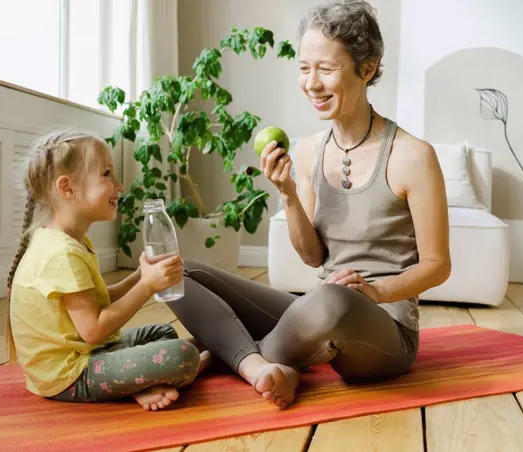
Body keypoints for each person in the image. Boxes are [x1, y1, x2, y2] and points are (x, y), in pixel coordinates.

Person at [166, 0, 451, 409]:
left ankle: (225, 355)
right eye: (304, 68)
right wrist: (287, 194)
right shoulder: (307, 151)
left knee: (333, 299)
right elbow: (313, 256)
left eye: (326, 69)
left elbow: (438, 265)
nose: (312, 83)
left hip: (384, 329)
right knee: (180, 271)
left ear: (366, 69)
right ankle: (262, 363)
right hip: (318, 310)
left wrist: (373, 291)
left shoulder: (412, 155)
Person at [5, 131, 209, 411]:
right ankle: (133, 385)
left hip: (84, 355)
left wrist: (139, 275)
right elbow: (93, 331)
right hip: (69, 376)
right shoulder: (61, 253)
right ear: (67, 188)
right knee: (183, 356)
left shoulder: (68, 241)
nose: (120, 185)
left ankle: (135, 382)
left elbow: (97, 301)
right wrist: (146, 288)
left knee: (162, 332)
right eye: (107, 174)